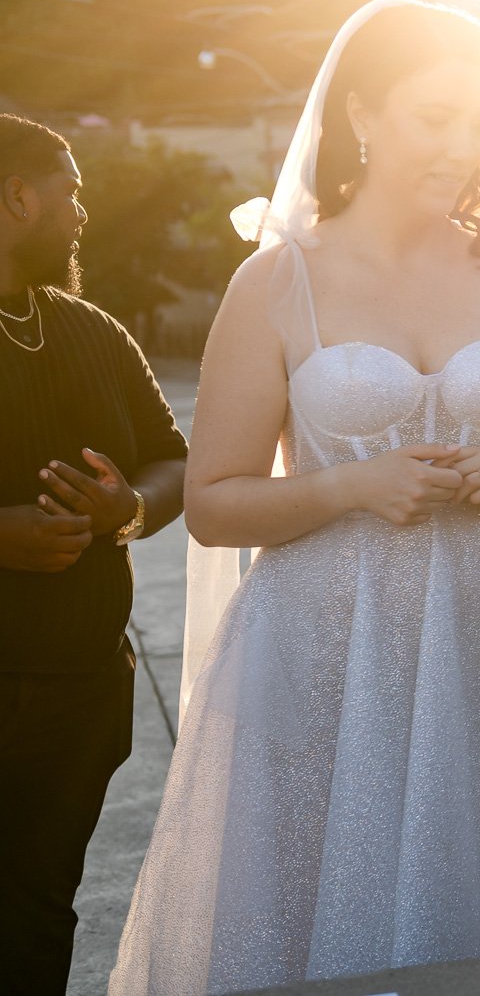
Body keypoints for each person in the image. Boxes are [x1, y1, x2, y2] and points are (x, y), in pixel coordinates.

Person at [110, 0, 480, 994]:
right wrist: (350, 484)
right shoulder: (277, 282)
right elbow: (212, 503)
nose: (465, 146)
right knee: (330, 905)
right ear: (363, 114)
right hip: (328, 645)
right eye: (436, 116)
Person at [0, 114, 187, 995]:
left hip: (82, 694)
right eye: (70, 191)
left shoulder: (95, 331)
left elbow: (173, 456)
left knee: (41, 912)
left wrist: (131, 508)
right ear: (18, 196)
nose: (84, 210)